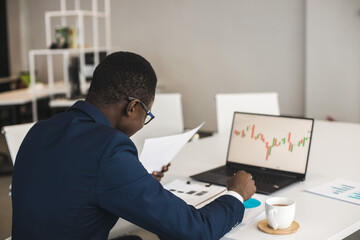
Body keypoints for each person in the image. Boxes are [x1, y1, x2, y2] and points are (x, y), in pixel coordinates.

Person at [11, 52, 256, 240]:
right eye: (147, 115)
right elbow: (196, 230)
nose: (143, 122)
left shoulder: (41, 129)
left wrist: (134, 181)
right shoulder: (108, 149)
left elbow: (72, 187)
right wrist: (236, 194)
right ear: (133, 107)